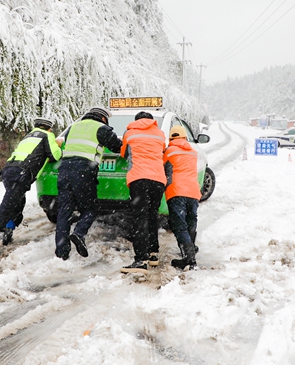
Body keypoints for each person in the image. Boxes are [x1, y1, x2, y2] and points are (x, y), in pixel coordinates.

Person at [0, 118, 62, 259]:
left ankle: (8, 231)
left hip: (9, 171)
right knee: (7, 206)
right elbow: (55, 156)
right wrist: (57, 145)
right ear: (49, 128)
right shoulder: (47, 136)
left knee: (17, 202)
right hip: (21, 173)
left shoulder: (28, 136)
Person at [54, 106, 122, 260]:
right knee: (90, 208)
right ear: (103, 118)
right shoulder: (101, 128)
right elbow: (117, 146)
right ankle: (79, 233)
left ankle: (62, 253)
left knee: (64, 211)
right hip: (83, 170)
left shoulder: (73, 127)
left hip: (64, 169)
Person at [119, 111, 166, 274]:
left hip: (139, 178)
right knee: (152, 215)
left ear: (136, 121)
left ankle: (141, 260)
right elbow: (162, 151)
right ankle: (153, 254)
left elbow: (123, 153)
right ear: (151, 121)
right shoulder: (160, 134)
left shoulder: (130, 133)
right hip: (158, 180)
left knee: (140, 217)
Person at [163, 125, 200, 270]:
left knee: (180, 225)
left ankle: (189, 259)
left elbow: (164, 167)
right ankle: (190, 249)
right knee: (191, 221)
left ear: (171, 138)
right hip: (193, 191)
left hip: (177, 190)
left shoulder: (169, 151)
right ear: (185, 137)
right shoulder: (193, 152)